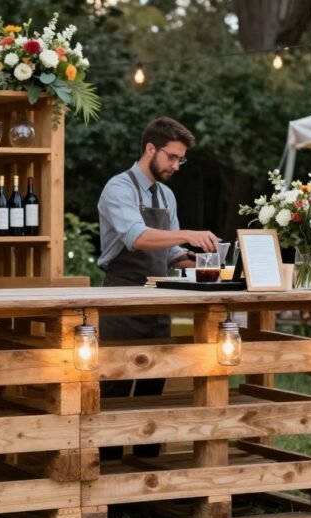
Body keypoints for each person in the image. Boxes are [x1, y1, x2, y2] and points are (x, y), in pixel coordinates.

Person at [96, 117, 218, 455]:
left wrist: (204, 265)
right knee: (115, 391)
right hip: (121, 299)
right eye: (171, 157)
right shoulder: (118, 188)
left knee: (153, 390)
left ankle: (147, 471)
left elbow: (171, 253)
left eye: (181, 159)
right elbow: (136, 237)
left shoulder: (166, 195)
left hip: (157, 299)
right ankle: (109, 471)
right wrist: (187, 234)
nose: (176, 166)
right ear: (151, 148)